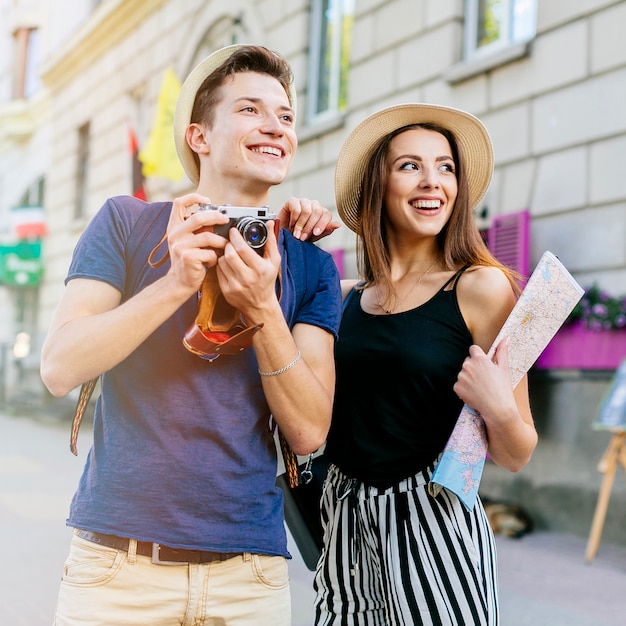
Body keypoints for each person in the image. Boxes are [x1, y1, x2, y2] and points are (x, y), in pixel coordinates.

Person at [40, 44, 342, 626]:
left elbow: (308, 431)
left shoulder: (310, 265)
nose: (275, 127)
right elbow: (59, 367)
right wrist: (175, 283)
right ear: (199, 137)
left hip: (248, 578)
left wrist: (263, 309)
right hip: (117, 573)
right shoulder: (128, 225)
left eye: (285, 116)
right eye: (251, 110)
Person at [313, 103, 538, 625]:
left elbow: (518, 451)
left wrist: (496, 406)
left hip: (434, 523)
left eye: (446, 167)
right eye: (410, 166)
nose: (432, 181)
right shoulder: (343, 299)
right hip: (346, 522)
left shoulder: (481, 288)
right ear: (379, 185)